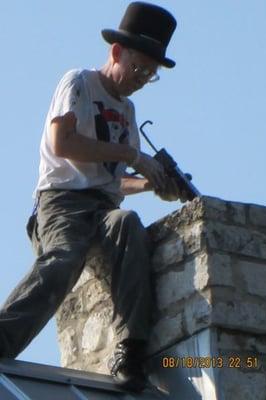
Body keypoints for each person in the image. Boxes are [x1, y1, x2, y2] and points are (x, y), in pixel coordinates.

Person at [0, 1, 181, 393]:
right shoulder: (79, 82)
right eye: (139, 68)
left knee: (128, 222)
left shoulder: (128, 112)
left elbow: (113, 182)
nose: (141, 79)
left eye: (150, 75)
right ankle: (3, 336)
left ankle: (131, 347)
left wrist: (151, 182)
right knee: (65, 257)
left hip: (102, 207)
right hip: (61, 200)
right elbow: (62, 142)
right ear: (117, 52)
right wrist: (132, 155)